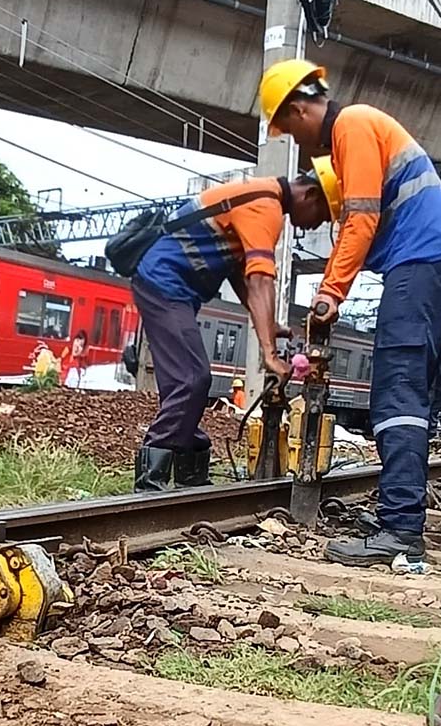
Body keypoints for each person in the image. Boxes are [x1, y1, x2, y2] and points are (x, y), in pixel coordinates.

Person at [260, 58, 441, 566]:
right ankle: (402, 513)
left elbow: (361, 217)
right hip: (438, 264)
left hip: (422, 264)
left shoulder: (352, 124)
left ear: (298, 108)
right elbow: (362, 218)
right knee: (411, 393)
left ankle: (401, 530)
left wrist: (331, 291)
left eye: (287, 127)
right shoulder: (366, 130)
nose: (294, 139)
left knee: (395, 393)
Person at [131, 162, 340, 493]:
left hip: (172, 289)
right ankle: (149, 485)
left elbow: (239, 273)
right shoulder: (264, 207)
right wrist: (269, 352)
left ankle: (190, 472)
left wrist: (268, 326)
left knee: (184, 385)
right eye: (323, 215)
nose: (318, 223)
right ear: (310, 195)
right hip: (163, 285)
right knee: (192, 379)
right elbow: (259, 279)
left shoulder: (262, 199)